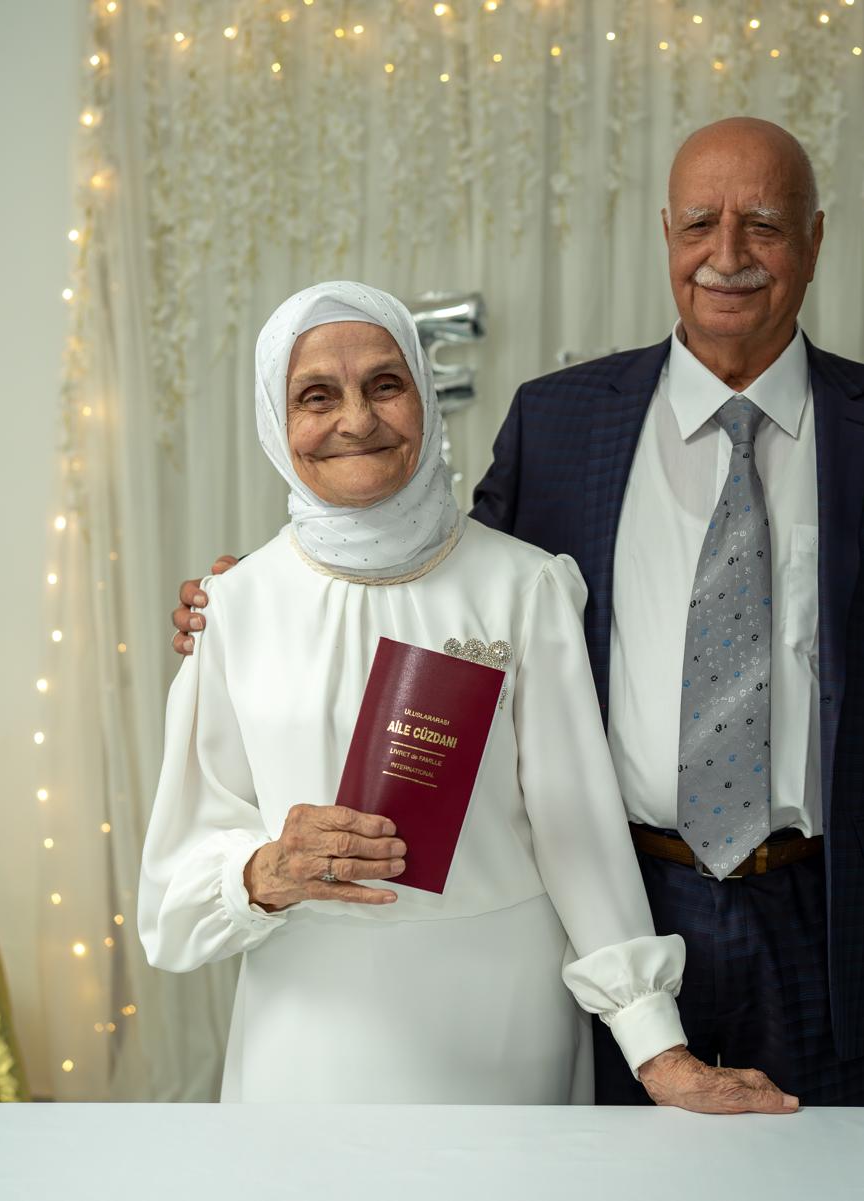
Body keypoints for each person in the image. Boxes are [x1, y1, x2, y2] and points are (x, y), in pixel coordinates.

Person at [174, 118, 864, 1107]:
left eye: (765, 225)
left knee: (825, 1166)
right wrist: (265, 592)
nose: (727, 253)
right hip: (615, 894)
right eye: (701, 222)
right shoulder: (560, 420)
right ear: (666, 234)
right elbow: (438, 584)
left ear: (814, 240)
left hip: (827, 912)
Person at [140, 280, 794, 1112]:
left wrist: (656, 1046)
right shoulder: (233, 607)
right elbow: (176, 882)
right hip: (308, 1032)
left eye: (385, 383)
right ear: (275, 419)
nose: (357, 420)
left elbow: (577, 832)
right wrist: (267, 869)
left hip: (504, 1028)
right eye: (316, 395)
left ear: (424, 391)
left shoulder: (525, 587)